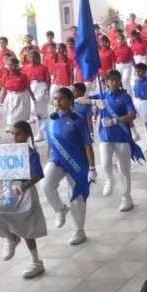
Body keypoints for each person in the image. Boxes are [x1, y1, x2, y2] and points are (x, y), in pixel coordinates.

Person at [0, 120, 47, 279]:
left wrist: (23, 187)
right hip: (10, 190)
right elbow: (1, 167)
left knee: (27, 228)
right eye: (13, 134)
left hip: (25, 194)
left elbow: (38, 175)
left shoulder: (31, 153)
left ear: (27, 135)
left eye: (18, 134)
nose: (15, 137)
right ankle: (11, 237)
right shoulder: (10, 151)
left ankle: (36, 262)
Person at [42, 87, 96, 246]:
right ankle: (60, 209)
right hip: (56, 159)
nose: (57, 102)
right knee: (46, 184)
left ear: (70, 100)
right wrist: (47, 160)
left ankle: (79, 230)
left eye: (61, 98)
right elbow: (50, 143)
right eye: (55, 99)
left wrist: (92, 167)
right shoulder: (50, 120)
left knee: (76, 196)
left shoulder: (78, 120)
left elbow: (87, 144)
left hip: (77, 162)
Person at [92, 69, 144, 212]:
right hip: (105, 136)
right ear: (106, 82)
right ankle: (110, 179)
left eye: (117, 80)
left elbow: (132, 114)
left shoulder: (124, 96)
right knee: (105, 164)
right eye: (111, 80)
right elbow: (81, 100)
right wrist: (94, 102)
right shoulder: (102, 95)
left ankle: (127, 197)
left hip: (121, 136)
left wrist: (116, 121)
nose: (114, 83)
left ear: (120, 81)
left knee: (124, 169)